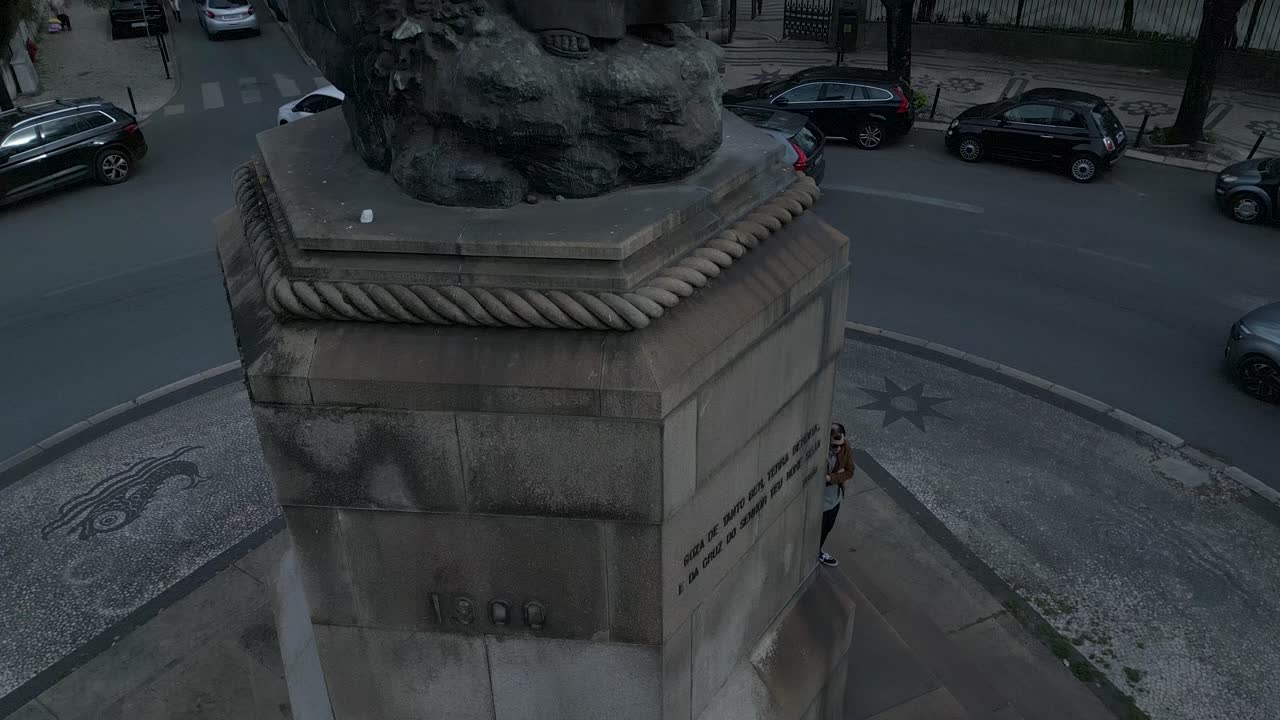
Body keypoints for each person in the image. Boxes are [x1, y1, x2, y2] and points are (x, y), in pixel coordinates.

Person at [819, 422, 854, 567]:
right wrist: (838, 474)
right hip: (821, 502)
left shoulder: (845, 448)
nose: (839, 448)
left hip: (835, 498)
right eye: (834, 446)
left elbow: (850, 471)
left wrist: (831, 478)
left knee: (826, 529)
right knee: (817, 530)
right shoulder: (822, 453)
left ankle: (818, 552)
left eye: (841, 443)